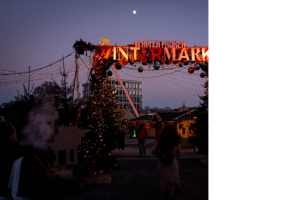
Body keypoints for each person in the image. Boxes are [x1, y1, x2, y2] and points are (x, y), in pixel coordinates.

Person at [0, 121, 56, 200]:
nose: (16, 137)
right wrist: (48, 178)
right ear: (10, 137)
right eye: (15, 134)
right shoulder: (25, 157)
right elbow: (38, 190)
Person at [151, 124, 184, 200]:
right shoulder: (176, 140)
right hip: (172, 164)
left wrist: (161, 155)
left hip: (162, 163)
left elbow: (153, 151)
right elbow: (179, 154)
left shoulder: (161, 140)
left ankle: (165, 195)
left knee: (165, 182)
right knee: (173, 182)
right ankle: (171, 195)